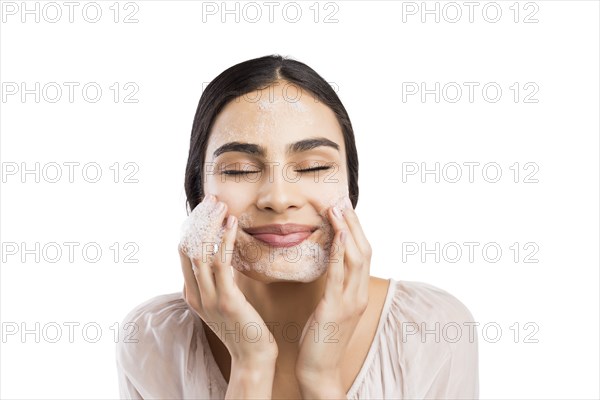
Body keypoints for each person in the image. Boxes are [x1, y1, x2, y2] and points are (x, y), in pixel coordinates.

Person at [115, 54, 479, 399]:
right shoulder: (153, 340)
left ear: (351, 186)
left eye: (313, 167)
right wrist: (250, 365)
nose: (278, 196)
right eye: (239, 169)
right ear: (197, 192)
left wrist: (320, 378)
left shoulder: (433, 330)